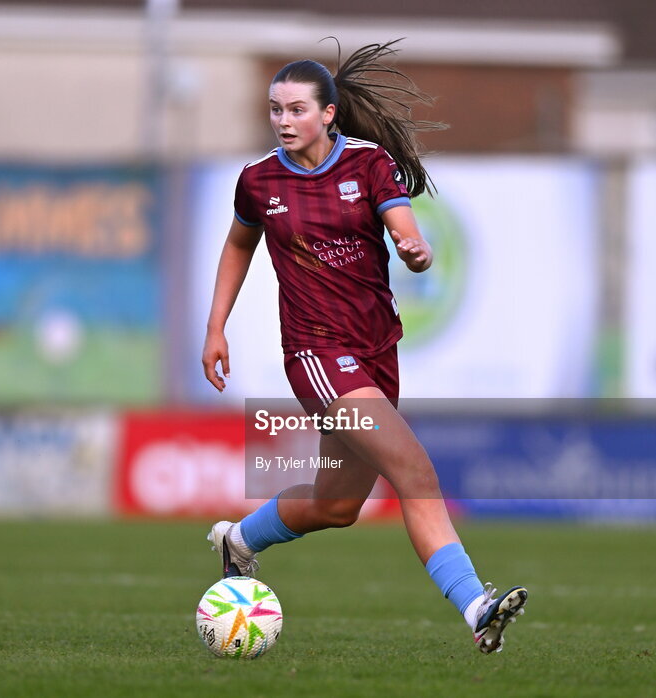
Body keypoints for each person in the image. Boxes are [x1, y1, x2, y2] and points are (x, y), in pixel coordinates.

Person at [201, 39, 527, 654]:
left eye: (296, 110)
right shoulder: (258, 181)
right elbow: (240, 244)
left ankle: (238, 540)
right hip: (317, 355)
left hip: (376, 348)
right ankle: (477, 606)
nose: (283, 121)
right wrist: (216, 326)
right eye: (275, 110)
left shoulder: (368, 164)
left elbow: (402, 223)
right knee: (414, 469)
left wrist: (414, 246)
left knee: (337, 505)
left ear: (328, 114)